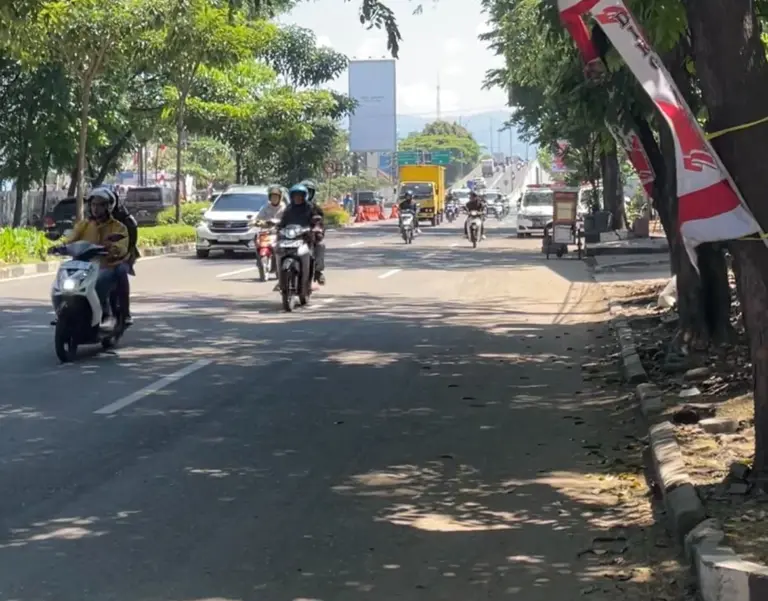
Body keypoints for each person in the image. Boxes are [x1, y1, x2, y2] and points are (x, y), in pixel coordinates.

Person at [64, 188, 129, 330]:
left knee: (112, 276)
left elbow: (122, 246)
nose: (96, 208)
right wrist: (60, 247)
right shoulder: (84, 225)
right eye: (93, 204)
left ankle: (111, 313)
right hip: (85, 267)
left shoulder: (118, 227)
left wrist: (113, 248)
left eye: (100, 205)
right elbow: (71, 239)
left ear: (108, 206)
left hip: (108, 265)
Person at [277, 184, 326, 288]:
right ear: (292, 197)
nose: (298, 198)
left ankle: (317, 271)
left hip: (307, 237)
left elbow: (319, 220)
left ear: (305, 196)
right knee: (276, 247)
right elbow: (282, 222)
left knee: (320, 245)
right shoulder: (288, 209)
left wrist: (317, 229)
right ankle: (281, 277)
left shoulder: (311, 207)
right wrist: (278, 229)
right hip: (290, 237)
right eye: (295, 196)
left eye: (300, 196)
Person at [109, 188, 138, 325]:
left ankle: (125, 312)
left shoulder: (123, 220)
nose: (98, 207)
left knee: (120, 271)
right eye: (95, 203)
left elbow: (130, 240)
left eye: (103, 203)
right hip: (97, 258)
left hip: (121, 256)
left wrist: (127, 253)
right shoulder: (89, 220)